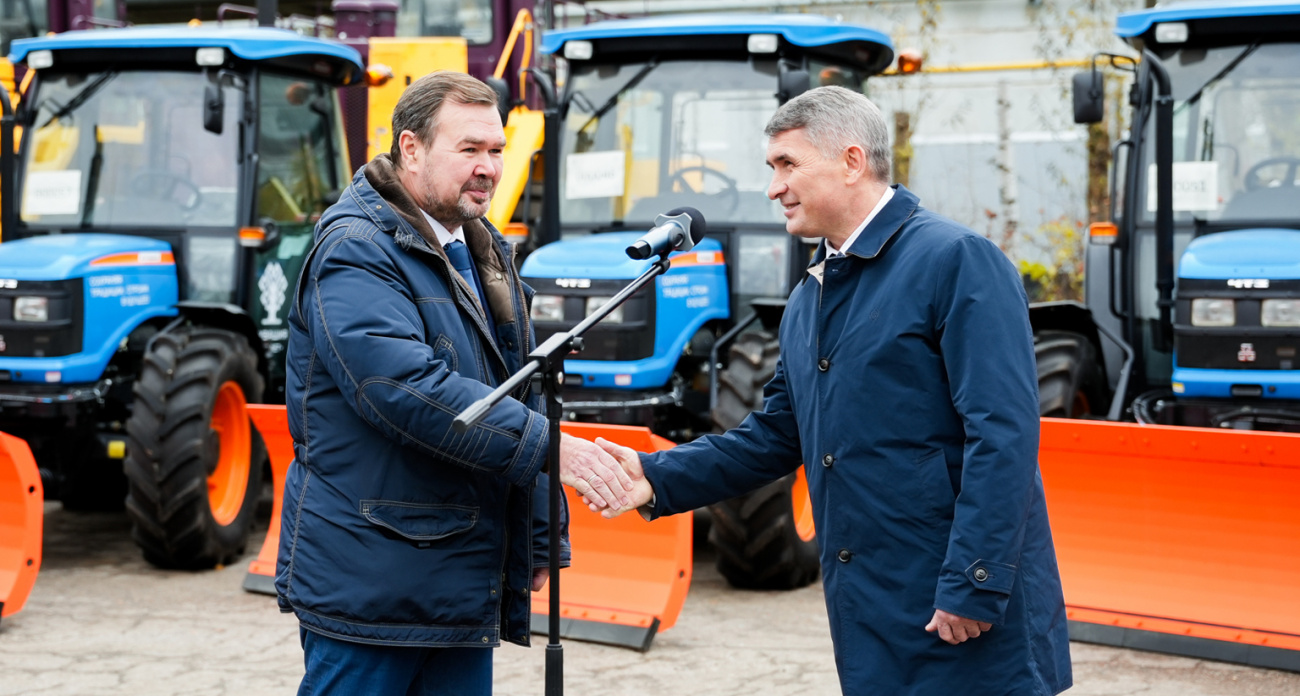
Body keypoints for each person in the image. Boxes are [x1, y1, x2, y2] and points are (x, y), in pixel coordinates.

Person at [590, 85, 1073, 695]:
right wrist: (655, 476)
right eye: (771, 168)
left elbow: (1002, 434)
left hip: (959, 607)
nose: (773, 187)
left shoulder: (956, 261)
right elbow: (775, 435)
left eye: (787, 164)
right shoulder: (810, 296)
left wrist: (975, 582)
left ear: (851, 162)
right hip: (871, 604)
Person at [277, 71, 636, 695]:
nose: (489, 167)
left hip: (455, 582)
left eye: (496, 150)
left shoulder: (480, 248)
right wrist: (555, 450)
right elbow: (404, 389)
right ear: (410, 148)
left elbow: (517, 389)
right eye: (468, 149)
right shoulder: (356, 249)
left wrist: (541, 534)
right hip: (375, 581)